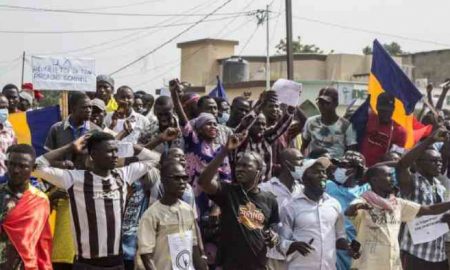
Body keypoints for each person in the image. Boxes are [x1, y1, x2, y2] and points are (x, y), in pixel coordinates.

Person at [34, 132, 160, 269]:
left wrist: (127, 147)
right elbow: (36, 166)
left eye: (116, 151)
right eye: (109, 151)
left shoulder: (123, 175)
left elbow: (154, 159)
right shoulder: (75, 179)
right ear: (93, 154)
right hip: (86, 264)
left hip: (116, 263)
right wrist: (71, 147)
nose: (115, 155)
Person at [346, 162, 450, 270]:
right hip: (368, 264)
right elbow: (349, 212)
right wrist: (356, 207)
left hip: (392, 265)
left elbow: (429, 209)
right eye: (388, 176)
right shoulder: (364, 200)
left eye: (392, 175)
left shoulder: (397, 203)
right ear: (374, 180)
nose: (392, 179)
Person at [198, 133, 280, 270]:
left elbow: (274, 230)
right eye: (238, 165)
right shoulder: (228, 192)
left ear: (258, 171)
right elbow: (204, 181)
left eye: (246, 166)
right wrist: (225, 151)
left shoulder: (270, 199)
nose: (239, 169)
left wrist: (274, 237)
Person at [279, 158, 359, 270]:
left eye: (323, 172)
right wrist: (293, 245)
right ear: (304, 178)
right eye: (316, 172)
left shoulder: (334, 204)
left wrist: (348, 247)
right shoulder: (291, 207)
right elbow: (280, 242)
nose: (322, 175)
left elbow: (339, 237)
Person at [137, 160, 207, 270]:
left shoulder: (187, 209)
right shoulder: (151, 215)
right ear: (163, 180)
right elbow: (146, 255)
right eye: (176, 178)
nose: (182, 182)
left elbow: (193, 245)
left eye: (184, 178)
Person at [397, 128, 449, 269]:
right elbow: (402, 165)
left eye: (439, 161)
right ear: (417, 163)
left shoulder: (441, 186)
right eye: (433, 161)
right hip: (416, 254)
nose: (438, 164)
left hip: (439, 255)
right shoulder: (412, 182)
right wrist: (431, 140)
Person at [0, 144, 52, 269]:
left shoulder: (40, 200)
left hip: (26, 266)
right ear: (6, 164)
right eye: (12, 164)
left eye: (23, 166)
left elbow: (42, 241)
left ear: (33, 168)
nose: (16, 170)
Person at [259, 148, 304, 270]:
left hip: (300, 257)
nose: (303, 164)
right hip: (274, 256)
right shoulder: (266, 189)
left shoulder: (303, 191)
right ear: (287, 164)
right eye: (300, 160)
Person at [325, 151, 369, 270]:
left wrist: (366, 170)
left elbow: (398, 167)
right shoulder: (329, 186)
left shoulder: (366, 191)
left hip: (356, 248)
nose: (338, 169)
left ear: (353, 171)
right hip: (333, 247)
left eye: (343, 166)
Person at [231, 97, 294, 181]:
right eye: (257, 124)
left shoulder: (267, 139)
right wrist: (259, 106)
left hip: (263, 187)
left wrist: (290, 110)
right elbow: (243, 125)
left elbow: (280, 127)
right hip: (242, 187)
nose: (261, 127)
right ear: (250, 124)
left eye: (263, 124)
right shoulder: (241, 141)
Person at [302, 87, 357, 158]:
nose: (323, 106)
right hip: (315, 165)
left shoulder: (346, 126)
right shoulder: (311, 122)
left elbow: (351, 152)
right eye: (320, 102)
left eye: (327, 103)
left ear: (336, 103)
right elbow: (304, 146)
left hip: (336, 166)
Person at [359, 92, 407, 166]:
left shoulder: (400, 131)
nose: (385, 113)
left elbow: (396, 157)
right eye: (382, 110)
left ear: (393, 109)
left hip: (380, 171)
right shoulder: (367, 119)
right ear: (377, 107)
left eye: (388, 110)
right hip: (360, 166)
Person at [0, 94, 16, 176]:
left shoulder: (9, 127)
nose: (4, 110)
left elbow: (13, 151)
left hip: (4, 178)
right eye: (1, 107)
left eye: (6, 107)